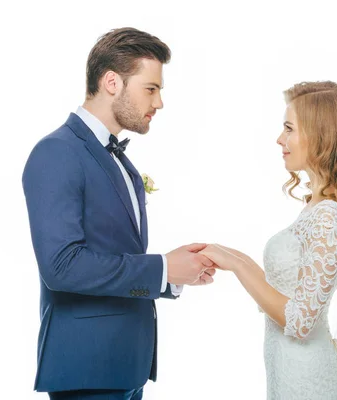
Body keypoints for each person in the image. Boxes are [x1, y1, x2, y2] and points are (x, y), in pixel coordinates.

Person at [22, 27, 216, 400]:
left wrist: (174, 276)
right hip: (86, 368)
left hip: (127, 364)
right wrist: (162, 267)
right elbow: (60, 266)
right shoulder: (56, 152)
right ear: (112, 81)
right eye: (151, 88)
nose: (159, 102)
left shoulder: (120, 160)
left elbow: (115, 251)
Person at [201, 81, 337, 399]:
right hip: (289, 373)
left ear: (319, 137)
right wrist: (233, 257)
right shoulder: (316, 207)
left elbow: (300, 322)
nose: (280, 139)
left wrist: (238, 266)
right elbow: (290, 290)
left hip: (309, 381)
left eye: (289, 129)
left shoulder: (330, 218)